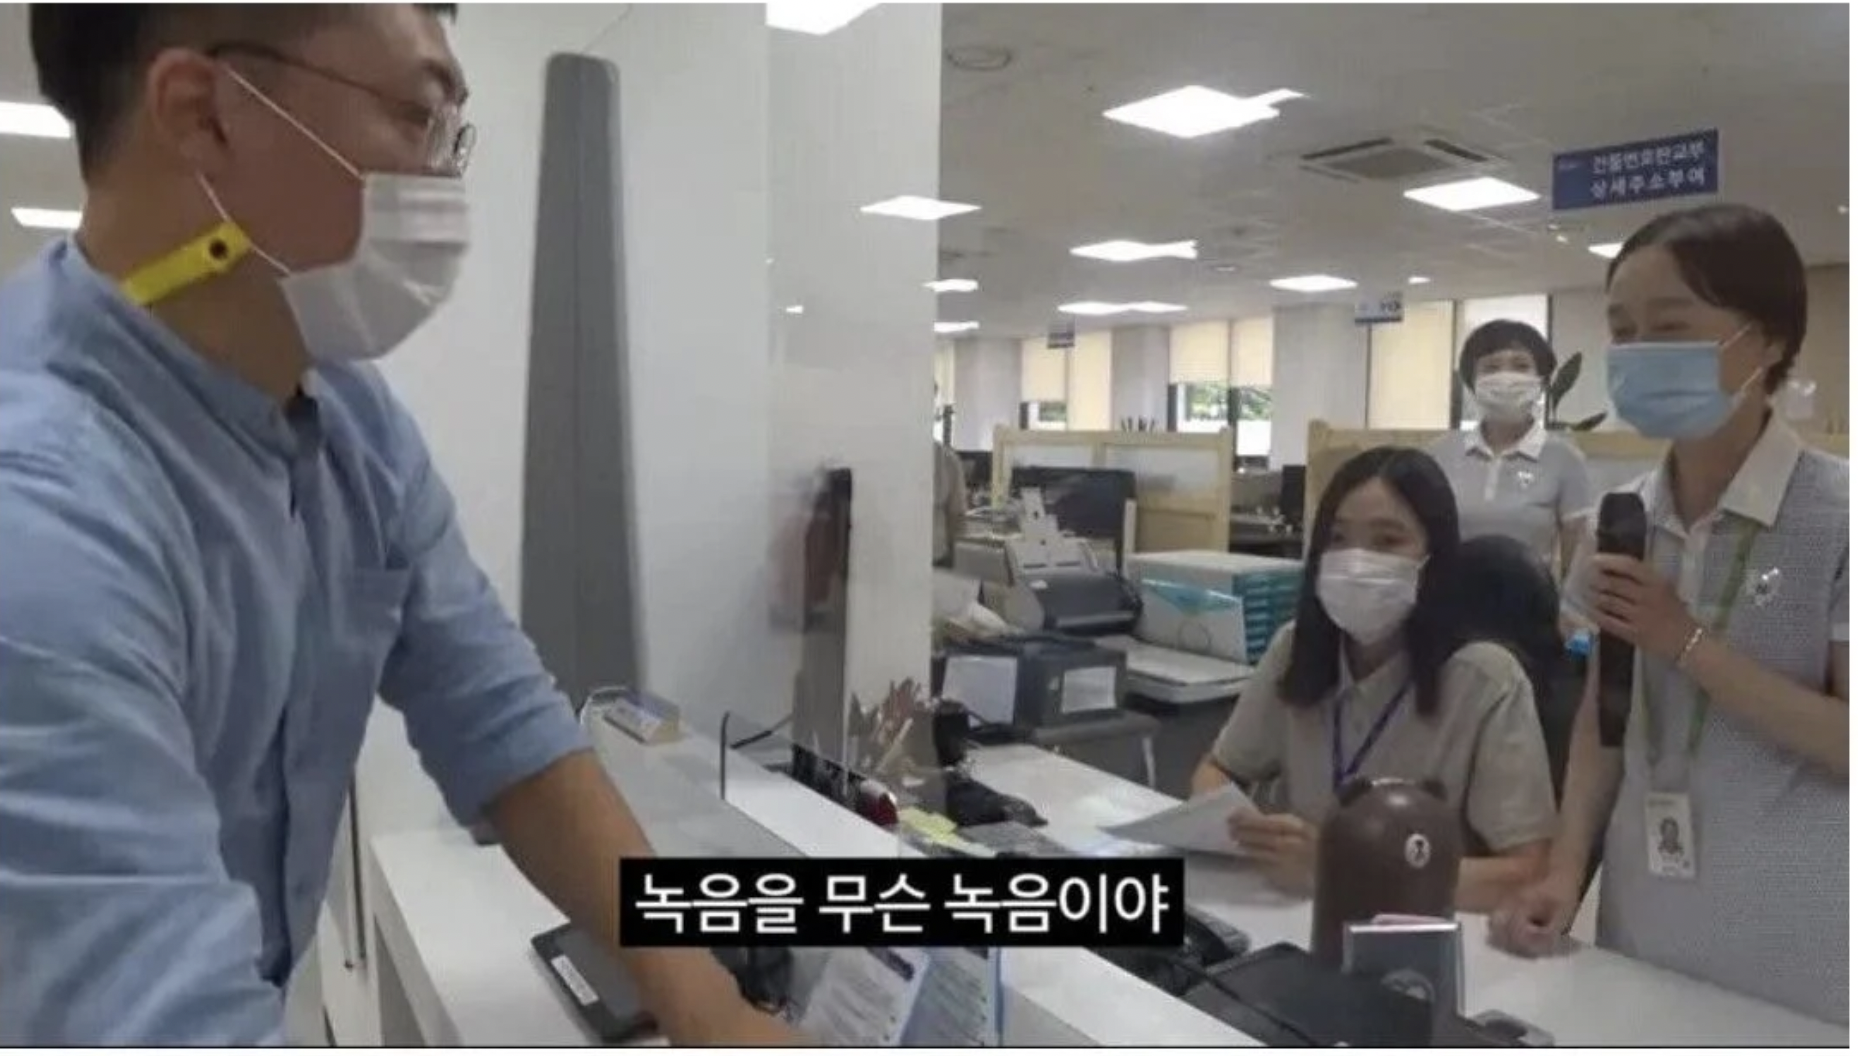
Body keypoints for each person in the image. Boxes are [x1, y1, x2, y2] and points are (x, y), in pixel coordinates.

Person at [0, 7, 798, 1045]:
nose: (442, 179)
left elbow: (504, 725)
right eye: (418, 117)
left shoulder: (346, 419)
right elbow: (156, 1014)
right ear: (205, 115)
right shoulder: (41, 523)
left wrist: (711, 1009)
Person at [1490, 203, 1848, 1026]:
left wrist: (1684, 640)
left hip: (1798, 933)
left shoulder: (1838, 517)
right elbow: (1604, 716)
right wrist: (1564, 869)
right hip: (1642, 915)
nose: (1638, 351)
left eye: (1671, 326)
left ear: (1767, 340)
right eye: (1623, 329)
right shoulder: (1625, 517)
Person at [1189, 447, 1558, 911]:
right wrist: (1246, 830)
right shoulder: (1297, 648)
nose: (1357, 561)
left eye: (1387, 541)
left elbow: (1526, 873)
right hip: (1292, 916)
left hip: (1417, 933)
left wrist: (1345, 869)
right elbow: (1217, 770)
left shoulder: (1486, 681)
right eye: (1338, 539)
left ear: (1434, 559)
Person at [1425, 320, 1594, 573]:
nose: (1506, 378)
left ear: (1541, 381)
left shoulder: (1565, 458)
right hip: (1447, 594)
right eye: (1491, 367)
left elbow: (1576, 564)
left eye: (1521, 366)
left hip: (1531, 596)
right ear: (1472, 381)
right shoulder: (1439, 453)